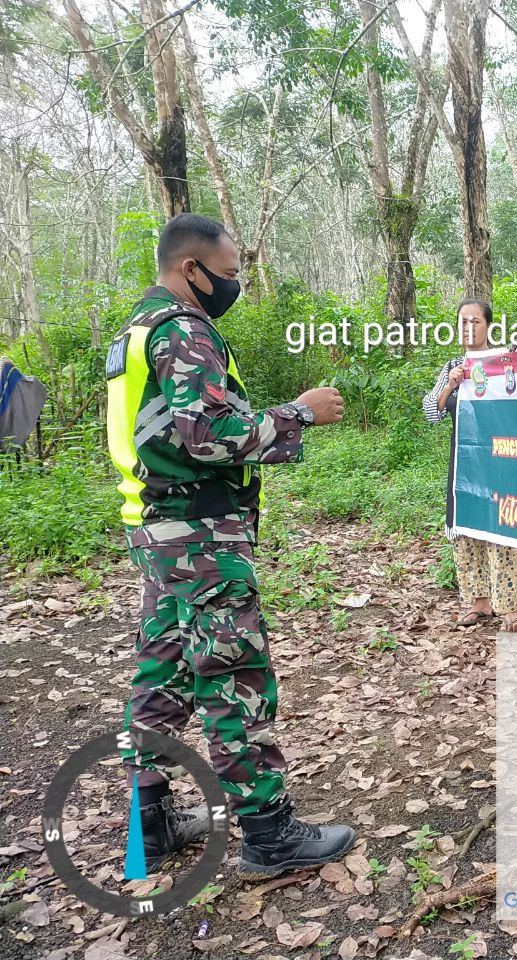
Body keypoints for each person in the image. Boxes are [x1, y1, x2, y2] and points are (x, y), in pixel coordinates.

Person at [105, 213, 354, 877]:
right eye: (231, 272)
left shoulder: (138, 327)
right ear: (192, 269)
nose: (235, 283)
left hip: (161, 533)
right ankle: (267, 832)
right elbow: (210, 433)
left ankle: (149, 821)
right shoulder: (183, 331)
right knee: (231, 675)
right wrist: (299, 412)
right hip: (199, 537)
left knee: (163, 672)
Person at [423, 299, 517, 632]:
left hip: (500, 462)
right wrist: (450, 384)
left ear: (489, 326)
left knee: (502, 531)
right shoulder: (453, 365)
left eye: (476, 322)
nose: (469, 328)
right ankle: (478, 603)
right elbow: (431, 411)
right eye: (463, 322)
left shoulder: (503, 362)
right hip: (464, 464)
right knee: (466, 532)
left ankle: (510, 609)